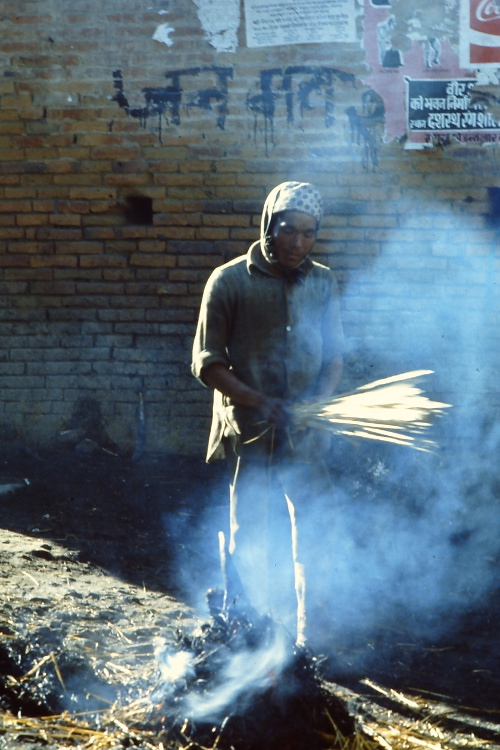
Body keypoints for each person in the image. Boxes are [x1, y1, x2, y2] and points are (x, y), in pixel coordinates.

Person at [191, 181, 344, 646]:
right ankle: (246, 635)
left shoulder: (322, 281)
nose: (298, 243)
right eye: (288, 230)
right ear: (267, 226)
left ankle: (309, 640)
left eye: (309, 233)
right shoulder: (230, 280)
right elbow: (207, 362)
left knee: (314, 531)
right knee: (251, 533)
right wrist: (260, 402)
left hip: (305, 434)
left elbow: (335, 357)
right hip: (252, 433)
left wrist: (316, 403)